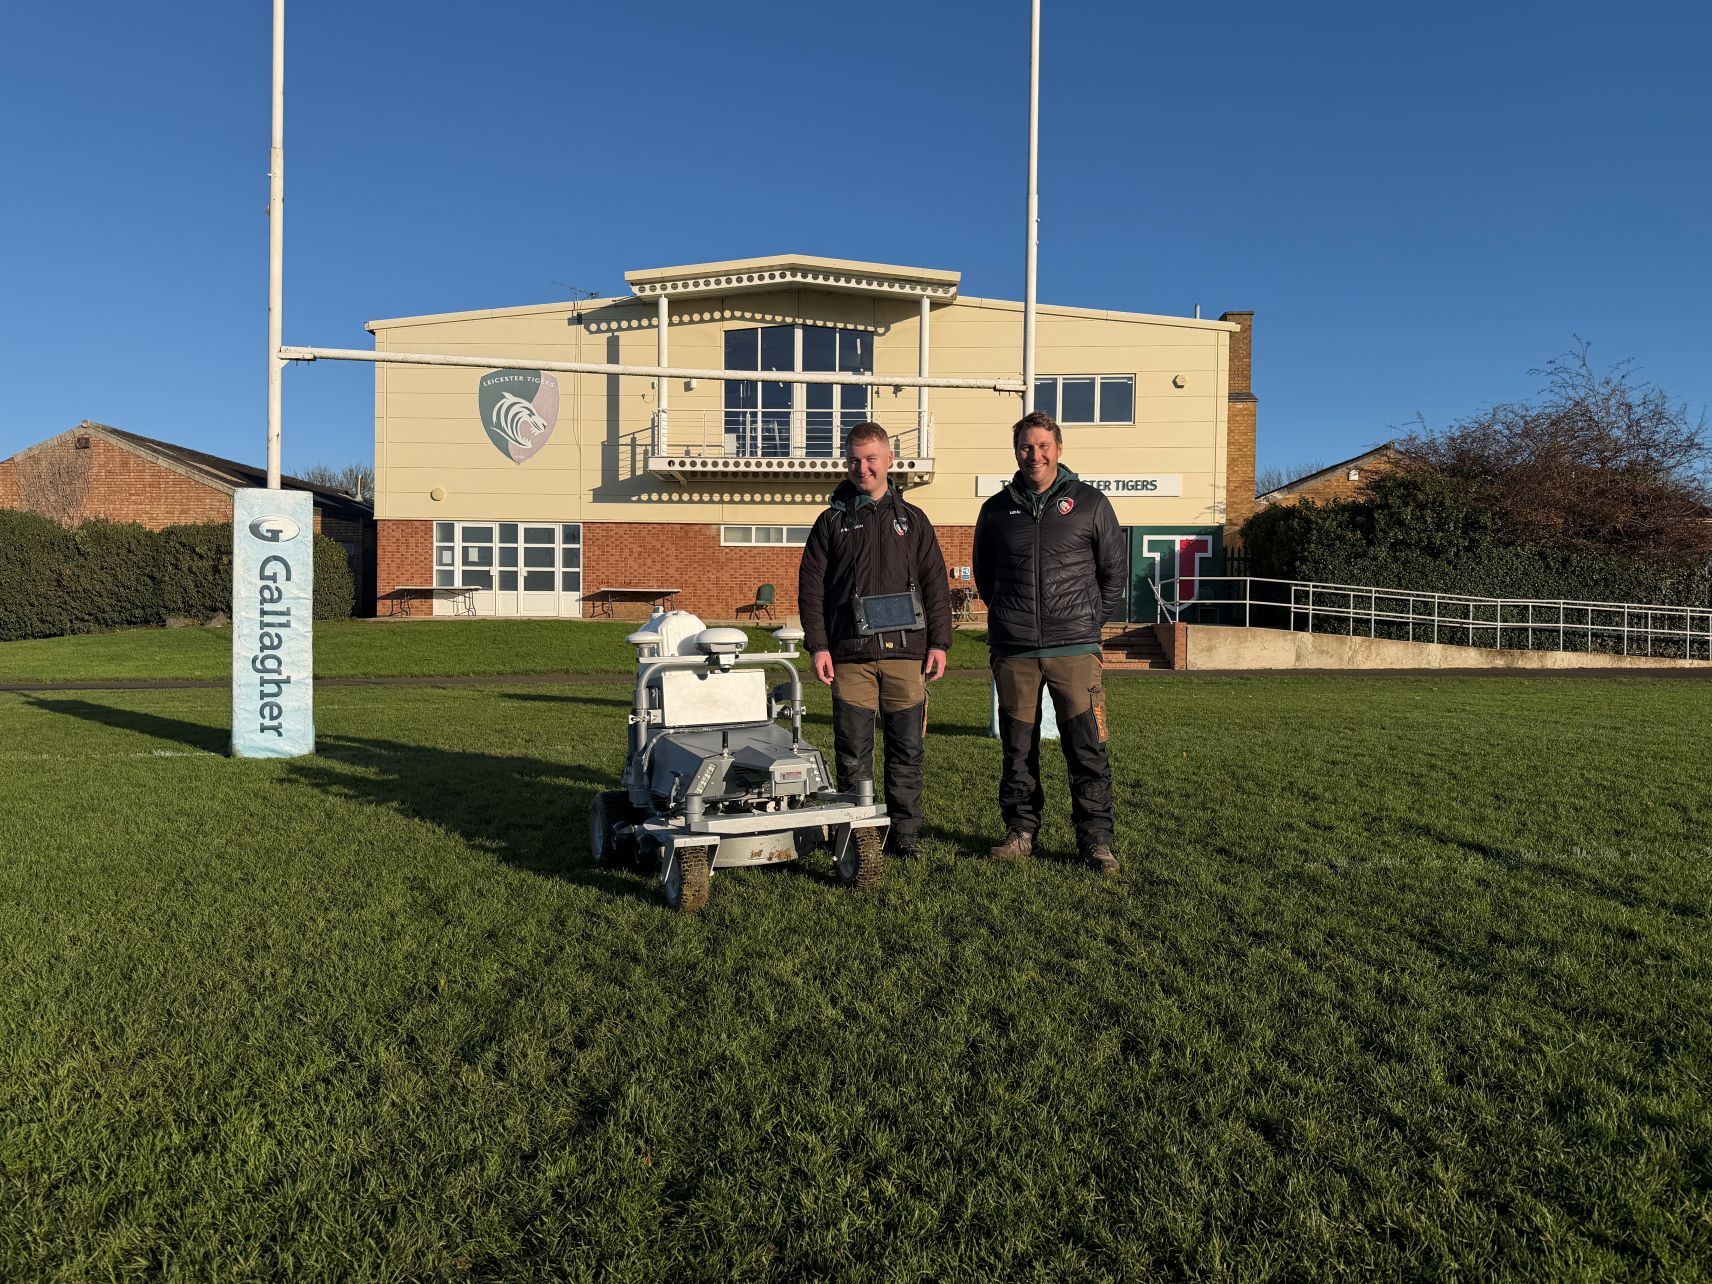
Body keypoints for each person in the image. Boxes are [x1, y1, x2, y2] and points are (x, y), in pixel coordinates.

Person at [972, 409, 1127, 875]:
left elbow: (1113, 574)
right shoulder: (996, 510)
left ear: (1059, 449)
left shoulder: (1091, 503)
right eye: (1025, 446)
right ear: (1016, 451)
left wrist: (1085, 624)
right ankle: (1020, 833)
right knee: (1018, 750)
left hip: (1074, 651)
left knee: (1086, 749)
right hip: (1015, 651)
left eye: (1043, 446)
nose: (1034, 455)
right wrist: (1009, 618)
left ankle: (1096, 842)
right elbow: (985, 576)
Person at [798, 422, 952, 859]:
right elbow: (812, 589)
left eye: (870, 459)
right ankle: (858, 832)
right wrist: (819, 645)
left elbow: (935, 584)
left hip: (907, 655)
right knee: (853, 752)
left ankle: (904, 834)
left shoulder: (914, 520)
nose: (862, 468)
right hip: (850, 656)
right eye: (854, 460)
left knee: (906, 750)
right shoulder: (831, 522)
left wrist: (939, 642)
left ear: (888, 460)